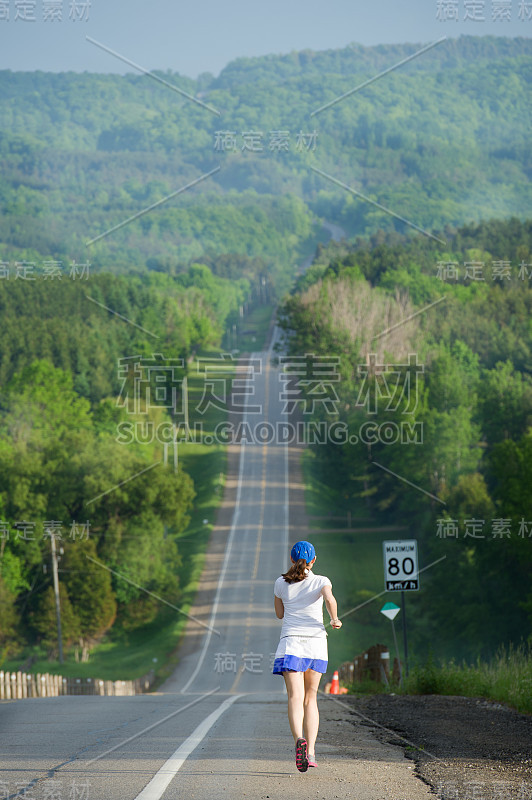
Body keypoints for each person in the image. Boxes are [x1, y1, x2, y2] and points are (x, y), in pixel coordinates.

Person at [272, 540, 342, 772]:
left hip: (291, 644)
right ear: (313, 560)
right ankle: (310, 751)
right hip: (316, 645)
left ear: (292, 559)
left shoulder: (280, 583)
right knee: (310, 699)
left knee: (294, 698)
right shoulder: (322, 581)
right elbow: (330, 600)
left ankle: (298, 741)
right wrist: (334, 619)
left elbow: (280, 614)